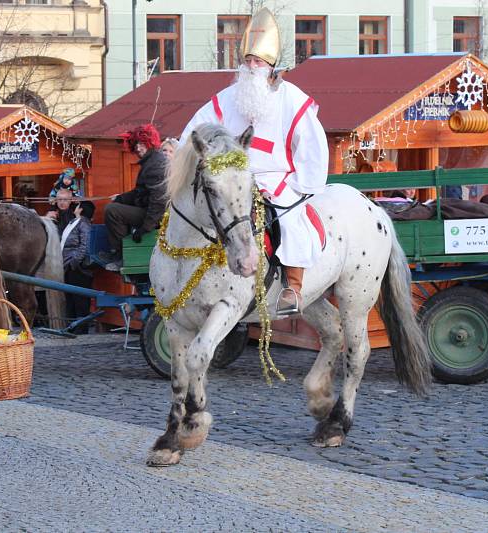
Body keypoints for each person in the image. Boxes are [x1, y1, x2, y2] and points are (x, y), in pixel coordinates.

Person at [179, 7, 329, 315]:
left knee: (288, 220)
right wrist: (178, 148)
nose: (250, 66)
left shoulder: (293, 100)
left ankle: (293, 286)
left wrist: (301, 186)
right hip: (234, 176)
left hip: (279, 178)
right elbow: (197, 127)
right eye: (247, 61)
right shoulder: (228, 97)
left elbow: (313, 146)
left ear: (271, 66)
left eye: (257, 61)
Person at [102, 124, 168, 271]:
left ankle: (122, 256)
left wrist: (145, 229)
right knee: (115, 206)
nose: (138, 148)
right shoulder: (152, 161)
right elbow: (140, 192)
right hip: (151, 212)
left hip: (157, 217)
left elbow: (159, 202)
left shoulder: (155, 164)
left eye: (142, 143)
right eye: (136, 144)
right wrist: (120, 198)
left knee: (112, 211)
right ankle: (118, 253)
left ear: (150, 142)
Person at [61, 200, 96, 334]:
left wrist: (74, 262)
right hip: (69, 265)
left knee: (80, 300)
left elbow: (85, 245)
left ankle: (81, 329)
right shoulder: (75, 222)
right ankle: (72, 327)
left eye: (76, 206)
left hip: (77, 267)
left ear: (80, 209)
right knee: (71, 299)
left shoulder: (84, 223)